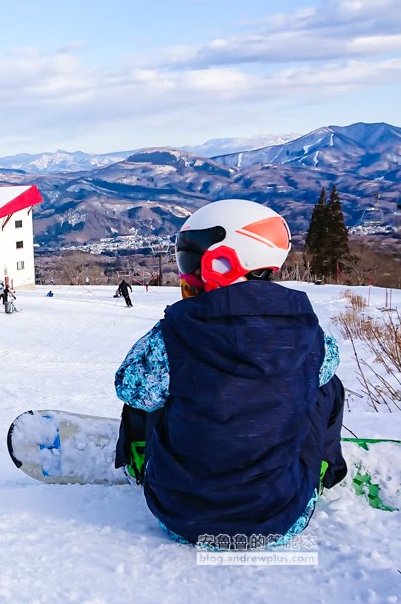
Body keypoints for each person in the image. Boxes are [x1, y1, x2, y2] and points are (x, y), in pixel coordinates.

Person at [113, 199, 347, 548]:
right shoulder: (312, 337)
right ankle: (324, 466)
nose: (185, 271)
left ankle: (140, 456)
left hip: (180, 517)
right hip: (283, 517)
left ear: (226, 262)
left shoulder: (173, 336)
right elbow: (327, 365)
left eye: (191, 260)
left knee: (150, 388)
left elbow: (128, 388)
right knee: (326, 385)